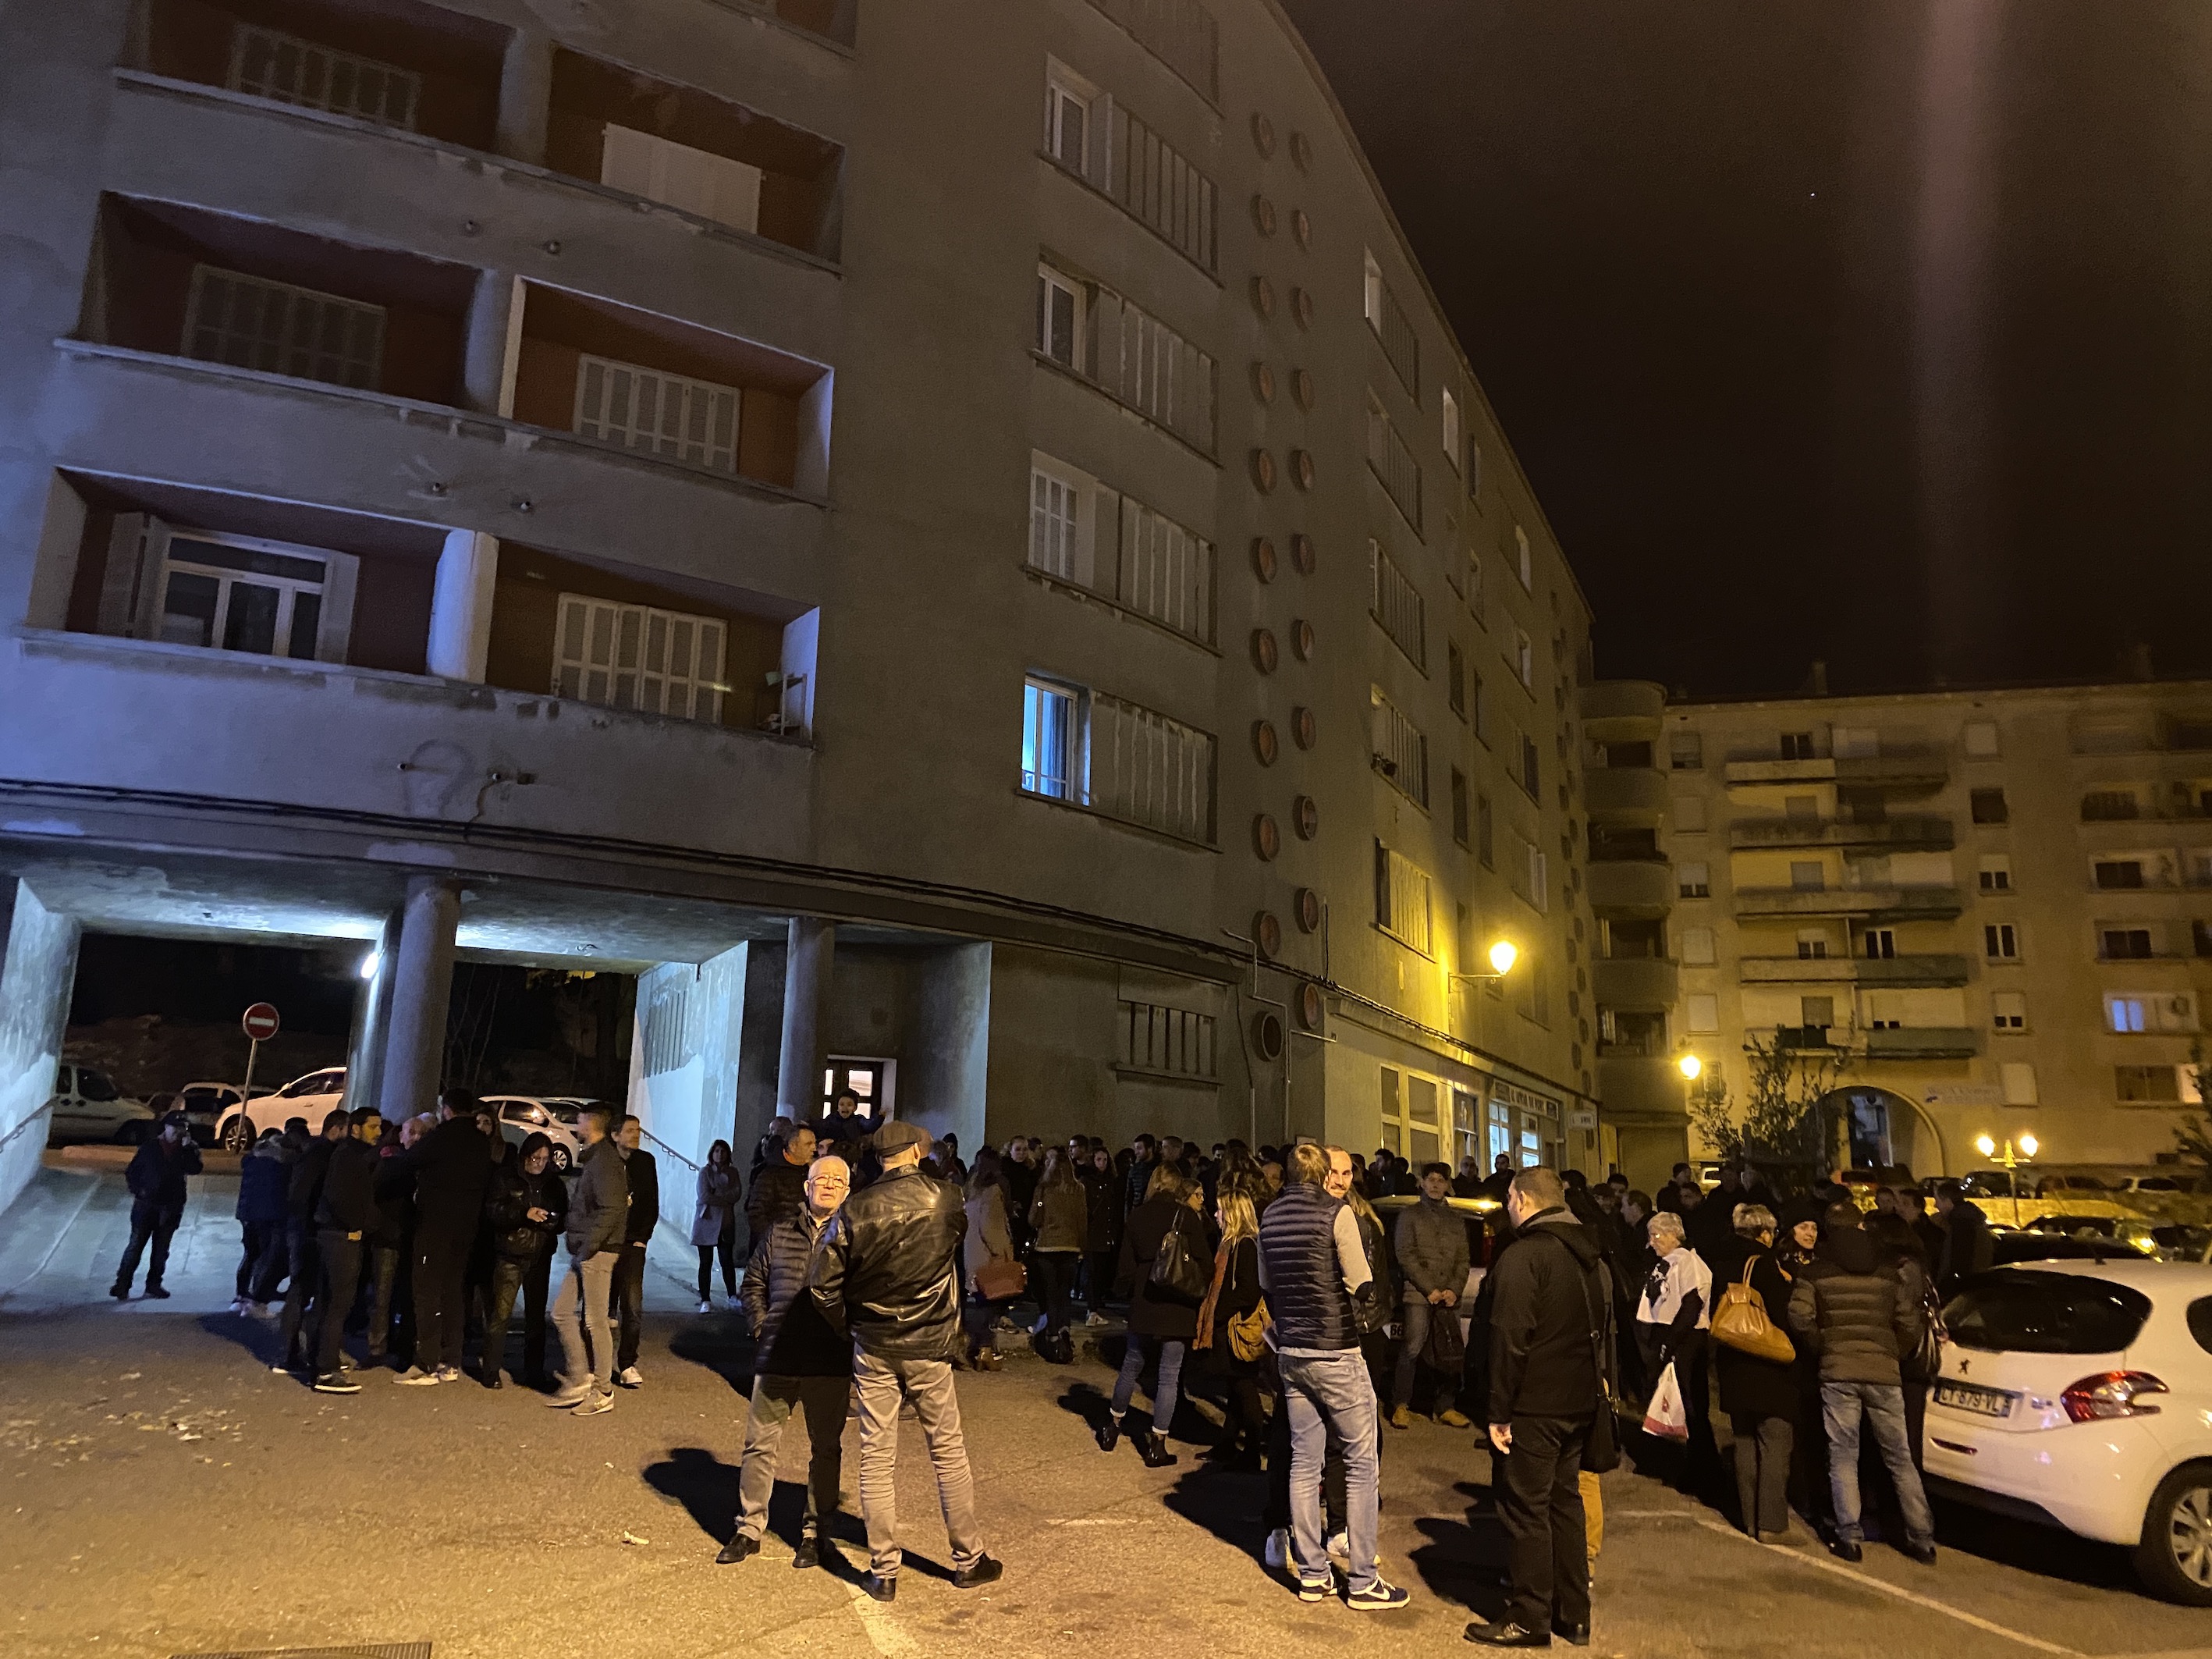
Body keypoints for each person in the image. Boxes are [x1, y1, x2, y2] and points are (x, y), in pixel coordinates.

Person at [808, 1118, 1003, 1602]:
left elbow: (821, 1284)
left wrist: (844, 1324)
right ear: (915, 1153)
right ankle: (968, 1559)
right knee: (947, 1450)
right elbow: (951, 1245)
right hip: (930, 1342)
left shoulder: (855, 1208)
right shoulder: (945, 1197)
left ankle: (883, 1570)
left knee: (877, 1455)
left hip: (873, 1343)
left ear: (879, 1158)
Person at [1256, 1142, 1408, 1611]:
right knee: (1362, 1462)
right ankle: (1363, 1580)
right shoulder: (1336, 1213)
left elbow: (1267, 1283)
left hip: (1291, 1351)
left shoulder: (1270, 1217)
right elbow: (1362, 1281)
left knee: (1304, 1461)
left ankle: (1313, 1575)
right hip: (1335, 1350)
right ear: (1322, 1173)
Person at [1468, 1168, 1610, 1649]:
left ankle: (1529, 1615)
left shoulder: (1525, 1256)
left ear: (1524, 1199)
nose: (1507, 1207)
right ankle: (1574, 1613)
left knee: (1526, 1509)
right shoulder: (1590, 1258)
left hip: (1535, 1405)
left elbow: (1509, 1336)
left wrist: (1498, 1410)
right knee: (1565, 1503)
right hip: (1579, 1402)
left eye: (1509, 1198)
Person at [720, 1153, 853, 1568]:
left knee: (826, 1449)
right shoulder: (779, 1233)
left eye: (837, 1180)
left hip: (828, 1360)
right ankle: (748, 1528)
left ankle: (815, 1533)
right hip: (777, 1356)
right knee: (759, 1446)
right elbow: (754, 1283)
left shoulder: (855, 1238)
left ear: (847, 1192)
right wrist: (762, 1327)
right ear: (806, 1186)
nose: (828, 1185)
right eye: (821, 1178)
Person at [1788, 1214, 1936, 1564]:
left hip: (1838, 1372)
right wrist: (1891, 1351)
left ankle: (1849, 1535)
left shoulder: (1816, 1272)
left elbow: (1799, 1316)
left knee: (1843, 1454)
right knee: (1900, 1457)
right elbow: (1910, 1322)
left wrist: (1822, 1344)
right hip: (1884, 1373)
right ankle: (1922, 1538)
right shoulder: (1888, 1274)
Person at [1103, 1165, 1205, 1465]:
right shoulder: (1186, 1216)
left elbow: (1124, 1269)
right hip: (1177, 1302)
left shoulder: (1137, 1216)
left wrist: (1127, 1291)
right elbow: (1203, 1261)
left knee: (1132, 1364)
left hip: (1145, 1300)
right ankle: (1157, 1444)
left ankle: (1112, 1426)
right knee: (1169, 1376)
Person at [395, 1087, 497, 1385]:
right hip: (466, 1228)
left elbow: (409, 1161)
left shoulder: (441, 1137)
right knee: (454, 1292)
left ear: (447, 1109)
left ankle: (426, 1363)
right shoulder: (481, 1142)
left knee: (426, 1290)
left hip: (435, 1226)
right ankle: (451, 1360)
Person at [1711, 1203, 1796, 1543]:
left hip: (1733, 1362)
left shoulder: (1721, 1261)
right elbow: (1780, 1313)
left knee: (1744, 1440)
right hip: (1765, 1364)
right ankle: (1771, 1524)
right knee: (1775, 1440)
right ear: (1764, 1232)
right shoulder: (1763, 1265)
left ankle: (1748, 1519)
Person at [549, 1104, 630, 1415]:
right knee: (561, 1312)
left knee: (595, 1322)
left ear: (591, 1124)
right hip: (589, 1250)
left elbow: (612, 1209)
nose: (576, 1124)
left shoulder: (604, 1162)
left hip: (597, 1252)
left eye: (580, 1119)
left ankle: (603, 1391)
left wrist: (589, 1246)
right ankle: (580, 1377)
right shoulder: (597, 1159)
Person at [1634, 1211, 1715, 1488]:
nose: (1652, 1243)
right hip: (1666, 1335)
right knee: (1665, 1400)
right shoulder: (1666, 1262)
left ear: (1673, 1235)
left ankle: (1699, 1468)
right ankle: (1667, 1461)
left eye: (1656, 1236)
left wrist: (1671, 1341)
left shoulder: (1689, 1262)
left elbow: (1692, 1303)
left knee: (1689, 1403)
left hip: (1685, 1339)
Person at [307, 1107, 382, 1394]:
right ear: (356, 1129)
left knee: (328, 1303)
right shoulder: (349, 1158)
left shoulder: (349, 1155)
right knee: (337, 1305)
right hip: (341, 1238)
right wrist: (361, 1225)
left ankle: (321, 1361)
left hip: (335, 1236)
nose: (378, 1132)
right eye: (373, 1127)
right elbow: (344, 1200)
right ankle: (326, 1371)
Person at [1391, 1161, 1472, 1429]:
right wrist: (1430, 1289)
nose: (1436, 1185)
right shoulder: (1410, 1215)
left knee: (1449, 1350)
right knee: (1413, 1347)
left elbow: (1463, 1259)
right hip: (1418, 1293)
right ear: (1422, 1183)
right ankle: (1400, 1405)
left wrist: (1454, 1290)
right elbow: (1405, 1255)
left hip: (1449, 1294)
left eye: (1441, 1180)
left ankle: (1445, 1406)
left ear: (1449, 1185)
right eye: (1432, 1180)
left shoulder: (1456, 1219)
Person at [483, 1131, 566, 1388]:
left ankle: (533, 1370)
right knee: (501, 1314)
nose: (539, 1164)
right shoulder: (507, 1177)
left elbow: (563, 1217)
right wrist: (523, 1213)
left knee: (535, 1318)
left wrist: (553, 1220)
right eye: (535, 1158)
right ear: (524, 1156)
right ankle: (491, 1370)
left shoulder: (554, 1183)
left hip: (540, 1255)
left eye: (544, 1159)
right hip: (511, 1253)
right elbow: (494, 1211)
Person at [1194, 1188, 1266, 1463]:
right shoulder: (1231, 1243)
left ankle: (1251, 1453)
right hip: (1230, 1324)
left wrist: (1219, 1314)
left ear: (1234, 1213)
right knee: (1237, 1387)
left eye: (1221, 1209)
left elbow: (1248, 1290)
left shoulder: (1245, 1244)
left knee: (1244, 1389)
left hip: (1237, 1327)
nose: (1216, 1214)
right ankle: (1227, 1445)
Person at [275, 1110, 348, 1368]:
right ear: (337, 1129)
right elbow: (302, 1195)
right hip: (308, 1232)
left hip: (302, 1229)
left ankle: (294, 1352)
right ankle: (291, 1353)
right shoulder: (323, 1154)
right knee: (304, 1290)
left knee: (304, 1290)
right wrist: (316, 1221)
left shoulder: (314, 1151)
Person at [112, 1110, 203, 1300]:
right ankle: (122, 1285)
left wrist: (187, 1150)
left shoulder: (189, 1149)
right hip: (146, 1206)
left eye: (182, 1129)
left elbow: (196, 1169)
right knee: (135, 1246)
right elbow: (132, 1172)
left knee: (161, 1249)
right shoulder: (150, 1147)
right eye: (175, 1128)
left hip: (170, 1208)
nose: (178, 1133)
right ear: (166, 1128)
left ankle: (153, 1284)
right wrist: (140, 1191)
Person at [609, 1113, 659, 1388]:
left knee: (632, 1306)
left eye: (638, 1130)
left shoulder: (645, 1162)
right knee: (602, 1309)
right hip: (607, 1243)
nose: (636, 1135)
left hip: (633, 1244)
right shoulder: (606, 1162)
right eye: (630, 1131)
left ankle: (627, 1363)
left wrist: (643, 1237)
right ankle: (597, 1364)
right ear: (615, 1135)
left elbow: (652, 1202)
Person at [1028, 1145, 1085, 1355]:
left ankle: (1052, 1336)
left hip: (1047, 1247)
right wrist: (1081, 1247)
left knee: (1051, 1294)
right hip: (1070, 1246)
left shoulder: (1043, 1189)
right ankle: (1065, 1331)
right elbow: (1082, 1221)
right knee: (1064, 1294)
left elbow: (1034, 1219)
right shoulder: (1078, 1189)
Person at [962, 1152, 1017, 1371]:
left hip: (973, 1251)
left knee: (979, 1301)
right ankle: (984, 1350)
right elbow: (991, 1227)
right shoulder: (992, 1192)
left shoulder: (971, 1190)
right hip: (988, 1255)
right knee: (988, 1303)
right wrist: (1003, 1252)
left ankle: (979, 1348)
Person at [232, 1127, 292, 1313]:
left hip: (247, 1216)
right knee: (266, 1257)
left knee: (250, 1255)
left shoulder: (251, 1160)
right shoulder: (278, 1162)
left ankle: (241, 1295)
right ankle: (256, 1297)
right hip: (267, 1217)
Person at [692, 1139, 743, 1314]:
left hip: (726, 1222)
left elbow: (736, 1193)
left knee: (726, 1260)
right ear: (712, 1154)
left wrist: (717, 1194)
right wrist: (724, 1198)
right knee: (705, 1262)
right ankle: (705, 1299)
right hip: (706, 1221)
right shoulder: (705, 1172)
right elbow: (704, 1195)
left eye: (723, 1151)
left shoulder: (733, 1172)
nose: (720, 1155)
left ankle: (732, 1295)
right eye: (716, 1151)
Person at [746, 1123, 815, 1245]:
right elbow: (756, 1214)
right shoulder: (770, 1174)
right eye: (808, 1144)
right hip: (777, 1247)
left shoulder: (811, 1172)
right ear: (793, 1146)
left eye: (814, 1143)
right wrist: (774, 1241)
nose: (814, 1148)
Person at [1081, 1143, 1121, 1323]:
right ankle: (1092, 1306)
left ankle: (1096, 1303)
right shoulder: (1087, 1182)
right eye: (1098, 1159)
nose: (1102, 1163)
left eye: (1105, 1160)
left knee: (1100, 1272)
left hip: (1106, 1231)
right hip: (1092, 1232)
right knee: (1091, 1271)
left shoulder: (1112, 1181)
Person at [1931, 1181, 1993, 1295]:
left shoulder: (1962, 1224)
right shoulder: (1969, 1220)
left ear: (1948, 1201)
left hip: (1963, 1290)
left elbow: (1959, 1262)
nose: (1935, 1206)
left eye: (1937, 1200)